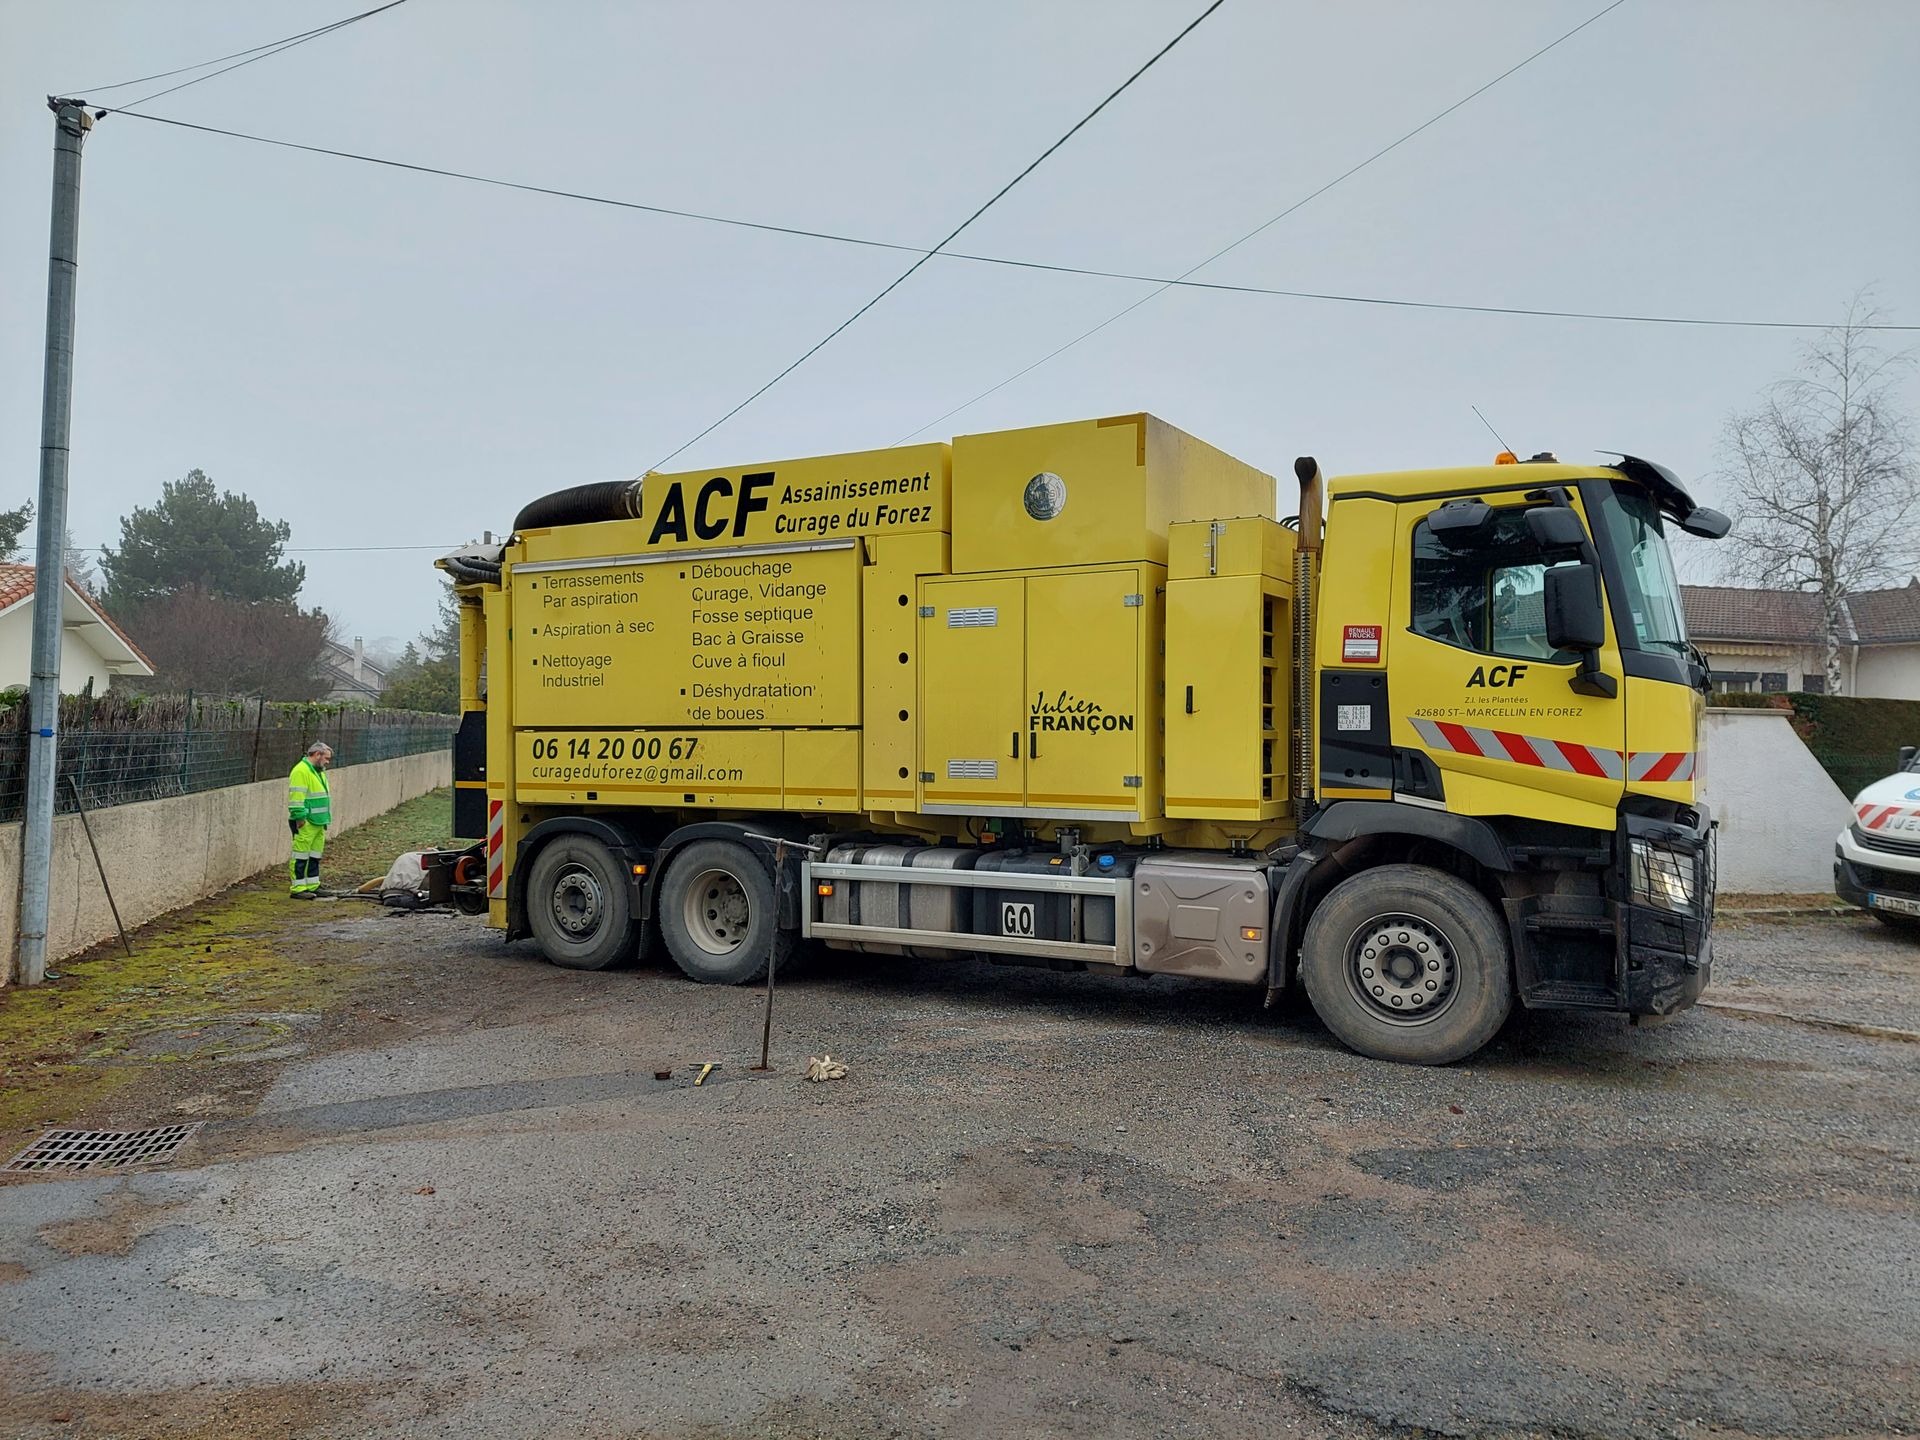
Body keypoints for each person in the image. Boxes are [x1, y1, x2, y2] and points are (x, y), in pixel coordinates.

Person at [287, 742, 334, 898]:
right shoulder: (301, 771)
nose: (328, 762)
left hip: (318, 821)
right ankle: (298, 889)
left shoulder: (317, 770)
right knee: (300, 855)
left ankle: (312, 885)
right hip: (306, 821)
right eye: (326, 758)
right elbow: (296, 798)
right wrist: (299, 817)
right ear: (317, 755)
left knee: (314, 855)